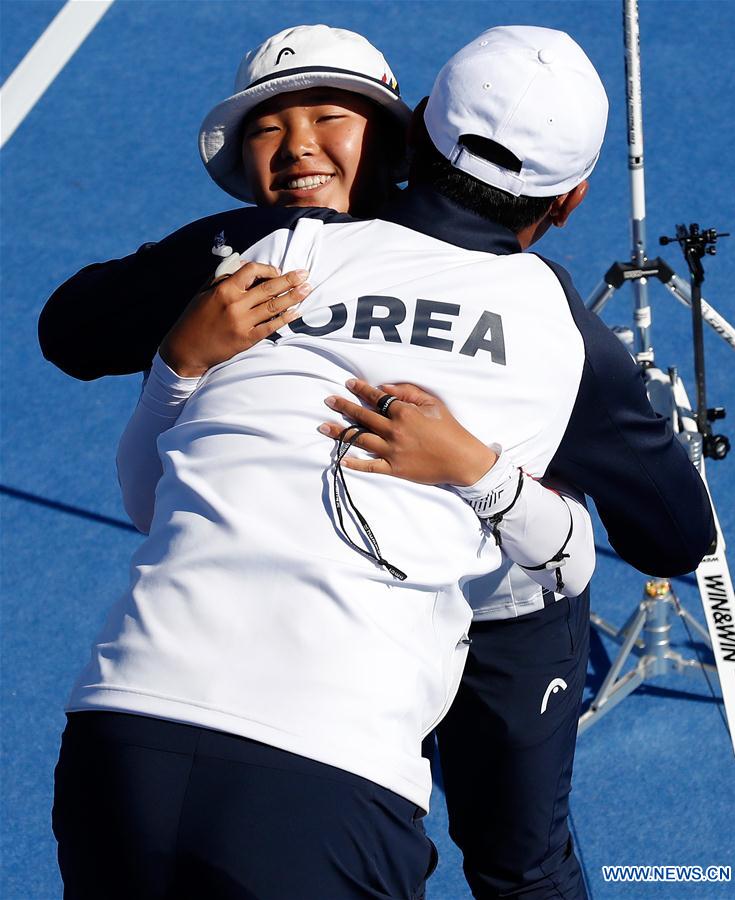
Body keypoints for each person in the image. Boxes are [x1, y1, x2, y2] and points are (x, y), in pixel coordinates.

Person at [46, 26, 606, 900]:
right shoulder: (248, 255)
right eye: (268, 127)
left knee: (520, 861)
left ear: (406, 136)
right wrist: (184, 347)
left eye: (328, 115)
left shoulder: (269, 249)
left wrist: (485, 475)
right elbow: (70, 331)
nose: (299, 144)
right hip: (315, 752)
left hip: (453, 642)